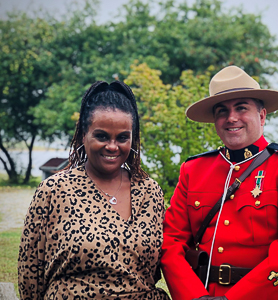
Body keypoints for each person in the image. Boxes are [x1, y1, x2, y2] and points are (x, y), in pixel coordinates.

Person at [161, 66, 278, 300]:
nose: (231, 118)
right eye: (222, 111)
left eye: (241, 108)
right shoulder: (194, 170)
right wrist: (193, 297)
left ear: (262, 115)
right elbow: (172, 241)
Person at [18, 81, 170, 300]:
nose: (112, 146)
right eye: (101, 136)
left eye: (122, 138)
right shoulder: (54, 190)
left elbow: (155, 269)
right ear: (83, 135)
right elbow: (30, 276)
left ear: (132, 139)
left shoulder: (149, 191)